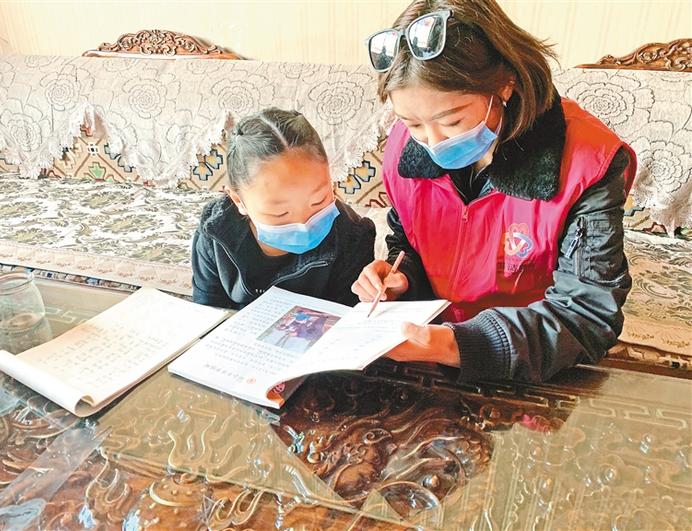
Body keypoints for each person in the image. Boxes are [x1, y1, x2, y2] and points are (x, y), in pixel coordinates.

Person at [354, 0, 636, 383]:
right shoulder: (405, 149)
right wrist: (400, 276)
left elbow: (587, 313)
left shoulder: (587, 162)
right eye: (412, 123)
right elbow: (409, 242)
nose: (432, 142)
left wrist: (457, 345)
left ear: (505, 83)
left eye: (452, 120)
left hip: (535, 362)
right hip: (427, 349)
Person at [192, 108, 376, 309]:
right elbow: (208, 311)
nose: (304, 224)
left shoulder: (352, 235)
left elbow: (351, 314)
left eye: (318, 201)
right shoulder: (216, 234)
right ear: (238, 200)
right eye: (280, 213)